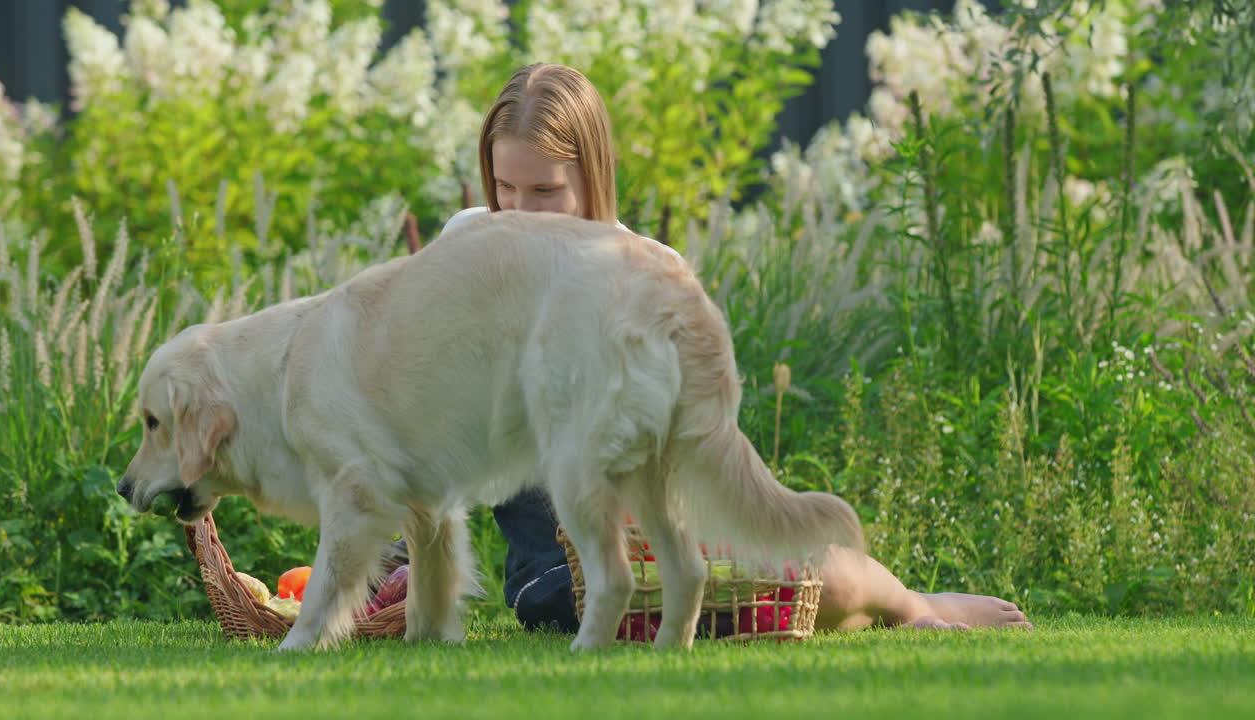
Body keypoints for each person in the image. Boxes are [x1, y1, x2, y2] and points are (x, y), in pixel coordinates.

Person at [394, 62, 1030, 634]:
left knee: (816, 582)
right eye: (505, 187)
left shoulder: (650, 273)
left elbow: (693, 449)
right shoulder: (468, 244)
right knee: (571, 608)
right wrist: (395, 560)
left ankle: (915, 605)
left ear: (596, 175)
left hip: (652, 534)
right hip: (553, 575)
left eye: (544, 192)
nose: (520, 212)